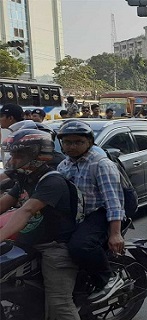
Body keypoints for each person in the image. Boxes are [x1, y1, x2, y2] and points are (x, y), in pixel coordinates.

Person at [0, 129, 80, 319]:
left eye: (19, 155)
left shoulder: (52, 181)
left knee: (59, 303)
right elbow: (4, 203)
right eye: (11, 154)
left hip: (54, 248)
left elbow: (25, 211)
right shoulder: (27, 178)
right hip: (27, 243)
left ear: (37, 155)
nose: (13, 160)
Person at [56, 120, 126, 304]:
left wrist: (115, 233)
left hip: (99, 213)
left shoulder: (100, 164)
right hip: (77, 215)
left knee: (80, 246)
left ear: (89, 143)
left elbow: (113, 200)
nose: (72, 146)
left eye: (78, 142)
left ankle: (108, 279)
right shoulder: (63, 166)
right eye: (67, 142)